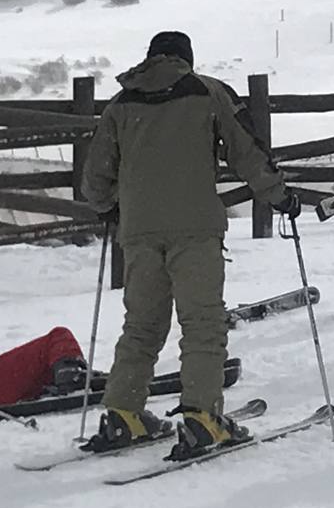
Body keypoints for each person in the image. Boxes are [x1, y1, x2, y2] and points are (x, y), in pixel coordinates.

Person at [82, 30, 302, 458]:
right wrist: (279, 196)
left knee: (142, 324)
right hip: (195, 228)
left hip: (140, 231)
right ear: (186, 58)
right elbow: (246, 150)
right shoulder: (208, 92)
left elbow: (95, 176)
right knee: (202, 323)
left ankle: (123, 413)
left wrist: (108, 207)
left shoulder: (121, 103)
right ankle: (203, 418)